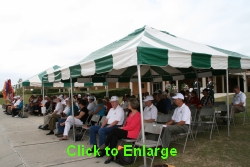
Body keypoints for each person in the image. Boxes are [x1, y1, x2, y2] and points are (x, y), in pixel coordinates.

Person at [97, 98, 141, 164]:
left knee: (115, 130)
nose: (127, 105)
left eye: (128, 104)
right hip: (127, 131)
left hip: (132, 134)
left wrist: (122, 128)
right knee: (114, 136)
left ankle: (105, 144)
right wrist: (123, 128)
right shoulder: (130, 113)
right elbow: (127, 124)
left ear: (133, 105)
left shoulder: (138, 115)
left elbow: (131, 127)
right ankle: (111, 156)